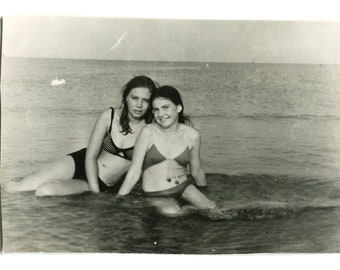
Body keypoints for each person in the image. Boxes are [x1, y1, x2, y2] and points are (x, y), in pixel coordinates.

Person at [5, 75, 158, 196]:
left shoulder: (149, 131)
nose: (139, 105)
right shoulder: (109, 116)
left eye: (145, 100)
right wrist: (95, 192)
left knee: (44, 191)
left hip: (102, 181)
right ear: (126, 97)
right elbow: (90, 156)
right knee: (17, 188)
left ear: (151, 103)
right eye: (134, 98)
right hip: (79, 161)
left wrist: (95, 192)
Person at [116, 85, 218, 217]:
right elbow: (134, 171)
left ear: (178, 108)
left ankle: (196, 208)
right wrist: (119, 198)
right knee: (173, 212)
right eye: (156, 110)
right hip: (156, 194)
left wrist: (205, 193)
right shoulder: (148, 132)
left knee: (214, 210)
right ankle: (191, 210)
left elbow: (197, 171)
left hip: (184, 187)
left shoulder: (192, 135)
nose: (160, 114)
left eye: (165, 107)